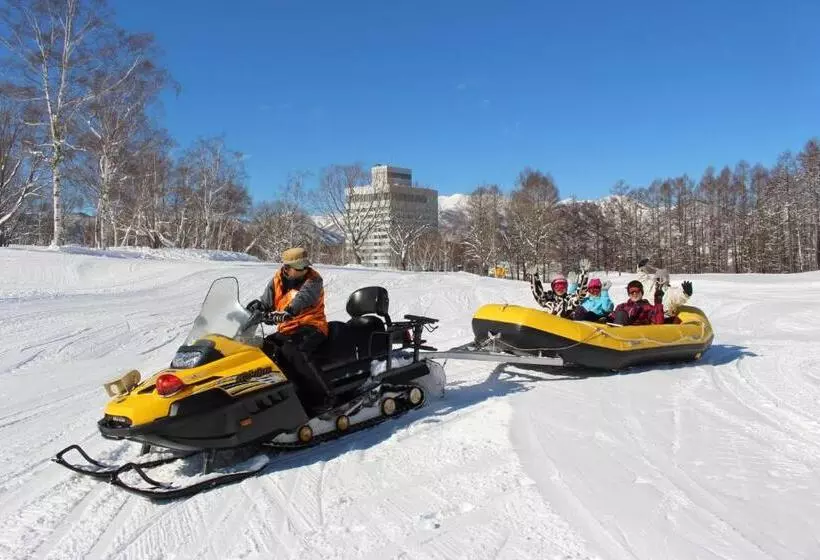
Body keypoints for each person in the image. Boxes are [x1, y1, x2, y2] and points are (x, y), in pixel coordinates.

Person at [246, 247, 335, 413]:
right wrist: (257, 308)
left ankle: (324, 397)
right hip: (288, 329)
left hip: (312, 325)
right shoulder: (277, 280)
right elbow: (266, 302)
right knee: (265, 347)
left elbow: (303, 298)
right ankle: (282, 395)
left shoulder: (314, 280)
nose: (305, 269)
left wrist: (288, 312)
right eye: (301, 267)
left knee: (293, 350)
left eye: (306, 265)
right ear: (287, 268)